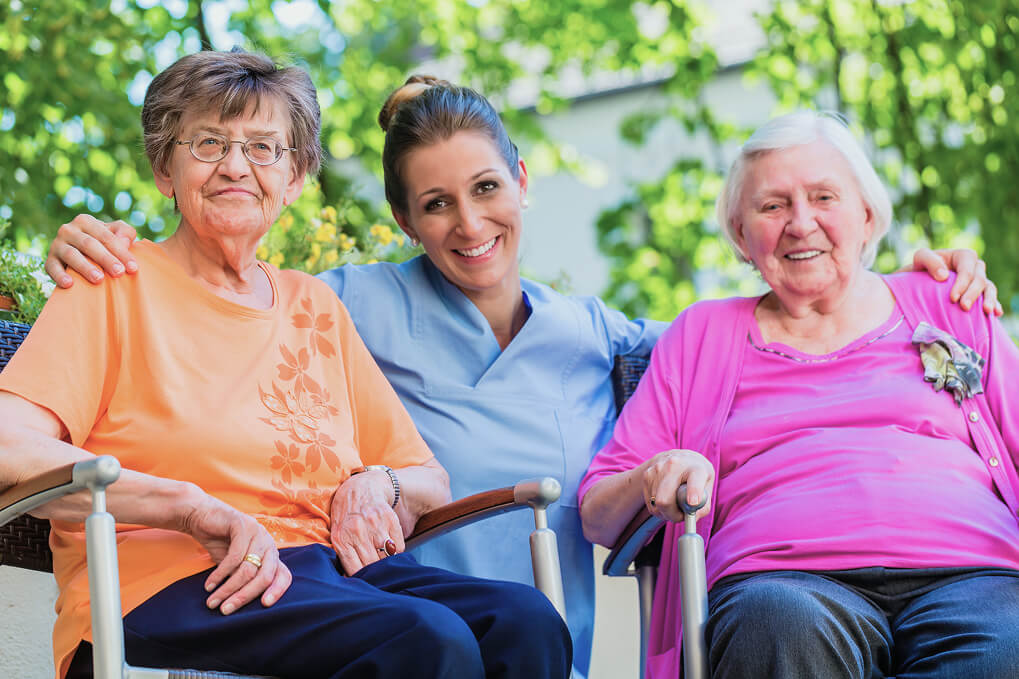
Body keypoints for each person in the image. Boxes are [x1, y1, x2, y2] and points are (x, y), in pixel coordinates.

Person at [45, 82, 1002, 679]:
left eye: (486, 189)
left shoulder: (609, 335)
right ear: (405, 223)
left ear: (524, 180)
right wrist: (85, 242)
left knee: (511, 624)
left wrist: (926, 286)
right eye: (435, 205)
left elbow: (783, 334)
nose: (467, 224)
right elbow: (213, 287)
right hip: (368, 599)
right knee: (446, 643)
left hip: (486, 621)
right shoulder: (346, 301)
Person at [0, 51, 571, 679]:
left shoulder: (314, 304)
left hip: (328, 576)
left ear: (295, 176)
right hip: (175, 583)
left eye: (265, 148)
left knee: (524, 621)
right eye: (210, 143)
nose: (236, 166)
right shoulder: (110, 285)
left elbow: (426, 477)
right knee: (423, 639)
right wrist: (190, 507)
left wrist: (378, 483)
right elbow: (8, 446)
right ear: (166, 169)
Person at [579, 110, 1019, 679]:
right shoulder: (701, 335)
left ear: (867, 214)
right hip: (781, 584)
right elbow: (595, 514)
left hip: (976, 574)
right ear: (741, 236)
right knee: (775, 627)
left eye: (823, 197)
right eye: (772, 206)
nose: (800, 223)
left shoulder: (948, 302)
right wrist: (653, 474)